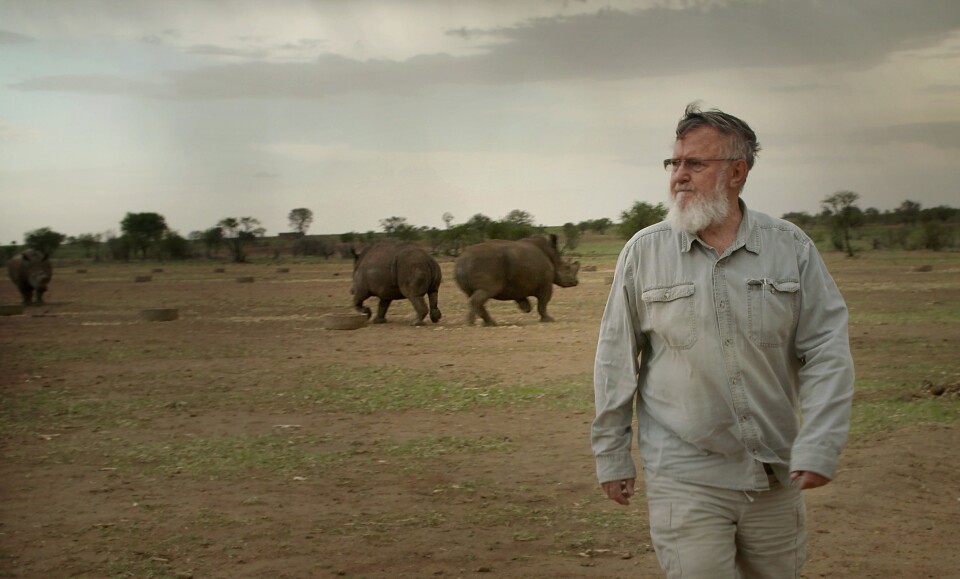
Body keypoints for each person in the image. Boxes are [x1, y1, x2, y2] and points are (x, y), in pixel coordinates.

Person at [591, 103, 854, 578]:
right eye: (674, 163)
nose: (679, 176)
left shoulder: (790, 247)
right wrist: (612, 454)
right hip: (685, 473)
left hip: (776, 472)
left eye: (695, 163)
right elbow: (615, 360)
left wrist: (820, 442)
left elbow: (826, 350)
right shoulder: (644, 252)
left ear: (737, 172)